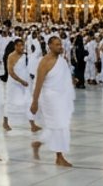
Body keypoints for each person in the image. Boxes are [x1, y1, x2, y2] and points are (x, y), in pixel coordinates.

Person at [29, 36, 75, 167]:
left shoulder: (62, 60)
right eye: (57, 44)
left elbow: (64, 76)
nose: (60, 46)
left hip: (62, 97)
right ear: (50, 46)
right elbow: (38, 84)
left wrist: (72, 80)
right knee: (59, 125)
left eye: (60, 44)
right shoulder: (45, 62)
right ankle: (59, 157)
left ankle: (38, 143)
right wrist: (34, 102)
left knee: (59, 125)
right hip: (50, 98)